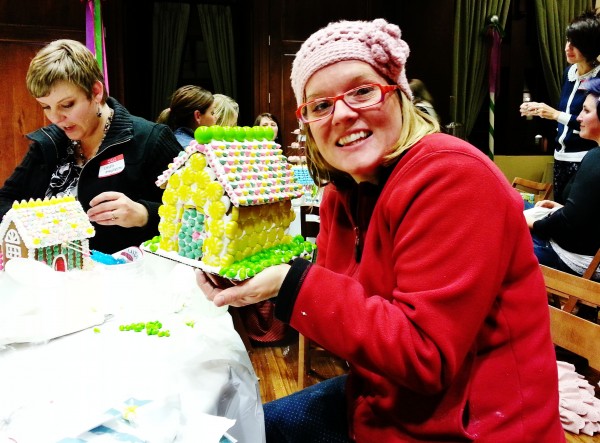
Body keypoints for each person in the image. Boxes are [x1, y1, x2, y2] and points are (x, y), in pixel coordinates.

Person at [197, 19, 564, 442]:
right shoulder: (343, 194)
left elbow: (425, 355)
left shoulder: (452, 177)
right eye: (319, 105)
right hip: (382, 405)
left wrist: (291, 284)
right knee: (240, 429)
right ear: (309, 125)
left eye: (362, 91)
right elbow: (349, 326)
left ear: (399, 95)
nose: (343, 113)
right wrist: (253, 277)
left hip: (475, 427)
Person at [0, 39, 183, 254]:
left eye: (67, 105)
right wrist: (31, 224)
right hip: (52, 278)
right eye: (45, 107)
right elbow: (5, 200)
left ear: (96, 91)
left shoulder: (150, 139)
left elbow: (198, 214)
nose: (56, 118)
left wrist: (144, 214)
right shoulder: (48, 144)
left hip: (127, 278)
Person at [520, 11, 600, 203]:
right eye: (567, 41)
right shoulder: (569, 73)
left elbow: (591, 125)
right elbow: (565, 113)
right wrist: (541, 110)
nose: (567, 48)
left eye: (575, 44)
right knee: (557, 207)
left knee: (576, 214)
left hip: (583, 157)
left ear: (589, 47)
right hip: (560, 156)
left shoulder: (598, 81)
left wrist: (556, 114)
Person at [526, 77, 600, 281]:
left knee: (503, 238)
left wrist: (532, 223)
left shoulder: (596, 158)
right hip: (587, 253)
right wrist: (561, 209)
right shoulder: (595, 154)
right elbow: (588, 216)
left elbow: (569, 223)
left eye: (586, 111)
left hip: (579, 262)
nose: (578, 118)